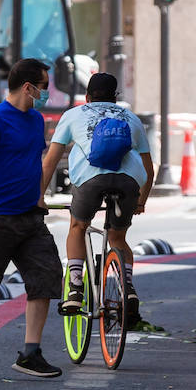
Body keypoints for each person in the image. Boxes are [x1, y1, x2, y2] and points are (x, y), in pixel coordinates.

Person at [0, 58, 64, 381]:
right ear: (28, 87)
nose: (47, 92)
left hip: (31, 218)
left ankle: (30, 353)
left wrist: (39, 196)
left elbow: (35, 161)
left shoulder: (36, 121)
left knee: (46, 278)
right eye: (44, 86)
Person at [40, 72, 154, 328]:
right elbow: (148, 168)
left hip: (91, 181)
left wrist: (39, 196)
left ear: (87, 97)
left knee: (78, 226)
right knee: (118, 237)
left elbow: (50, 161)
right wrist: (141, 201)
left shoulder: (73, 115)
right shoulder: (130, 118)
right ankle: (128, 286)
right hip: (129, 182)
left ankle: (75, 290)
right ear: (115, 97)